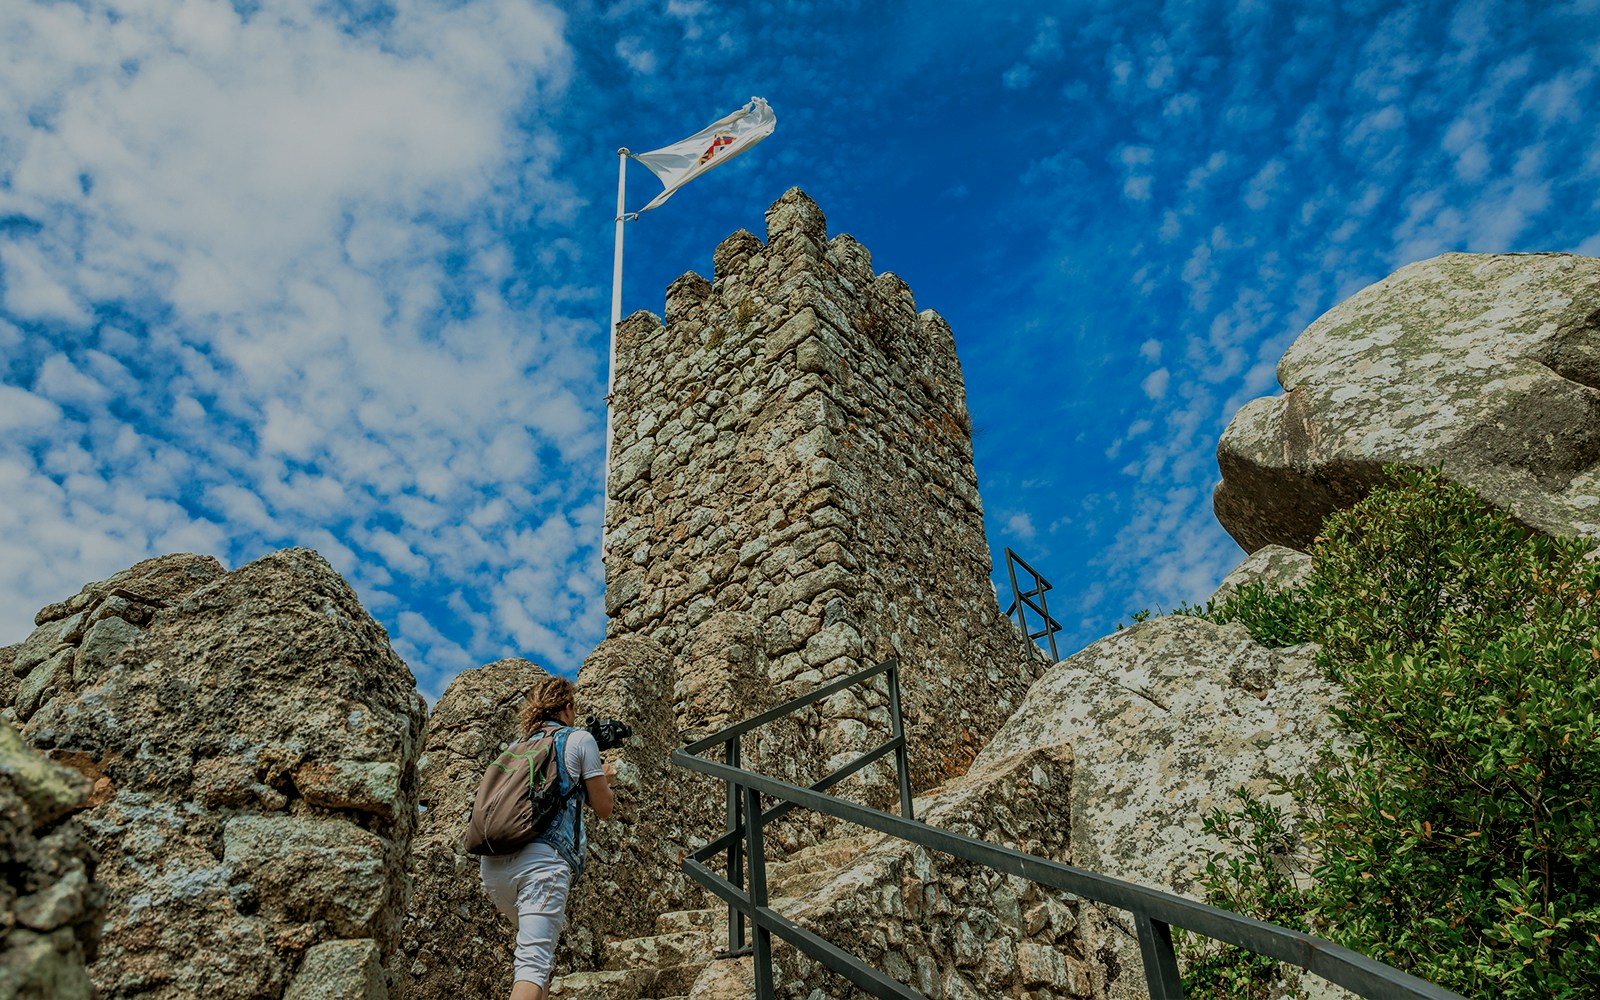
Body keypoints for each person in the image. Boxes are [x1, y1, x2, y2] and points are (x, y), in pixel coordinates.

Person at [479, 676, 616, 1000]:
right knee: (531, 967)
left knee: (537, 964)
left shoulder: (517, 746)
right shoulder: (580, 739)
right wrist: (604, 777)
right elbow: (604, 807)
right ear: (567, 708)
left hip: (494, 866)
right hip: (542, 864)